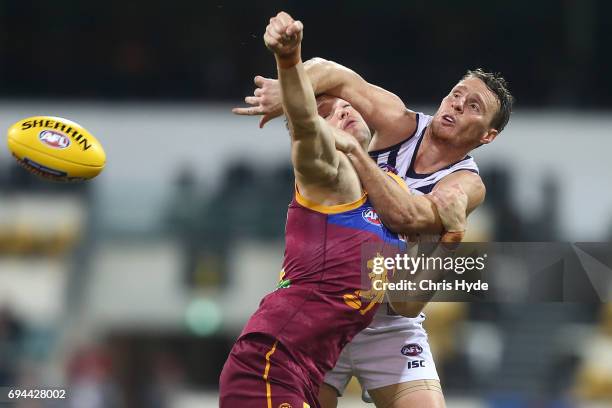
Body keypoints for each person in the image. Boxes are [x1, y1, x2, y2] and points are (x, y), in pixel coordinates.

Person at [234, 14, 514, 407]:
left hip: (388, 319)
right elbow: (332, 72)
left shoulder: (465, 184)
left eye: (472, 107)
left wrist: (355, 156)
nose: (455, 106)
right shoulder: (398, 121)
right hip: (327, 302)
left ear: (488, 135)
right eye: (455, 94)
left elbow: (407, 226)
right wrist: (290, 87)